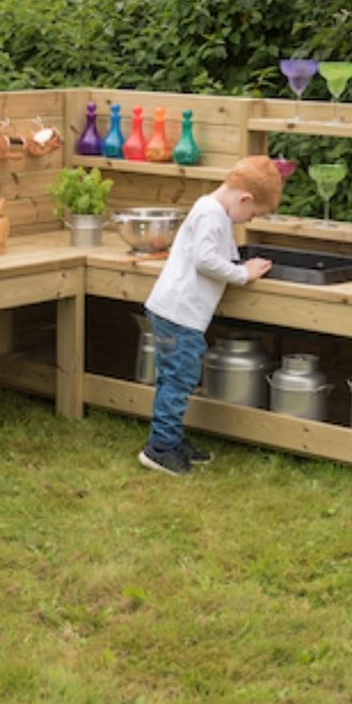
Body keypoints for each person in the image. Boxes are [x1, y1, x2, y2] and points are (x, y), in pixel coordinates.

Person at [139, 155, 282, 476]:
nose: (248, 221)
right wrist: (242, 273)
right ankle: (159, 448)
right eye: (253, 214)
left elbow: (210, 253)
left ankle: (171, 439)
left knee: (175, 378)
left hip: (174, 311)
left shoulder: (211, 209)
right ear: (244, 198)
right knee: (178, 380)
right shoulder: (213, 214)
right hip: (180, 314)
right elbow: (205, 260)